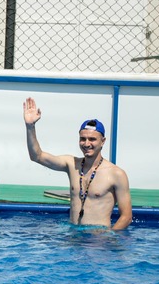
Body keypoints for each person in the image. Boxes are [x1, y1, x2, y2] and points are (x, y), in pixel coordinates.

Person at [23, 96, 132, 229]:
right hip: (73, 235)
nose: (86, 144)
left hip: (98, 238)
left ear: (103, 141)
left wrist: (110, 236)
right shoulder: (71, 164)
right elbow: (37, 156)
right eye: (82, 139)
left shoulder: (116, 174)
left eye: (92, 139)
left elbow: (126, 216)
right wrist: (30, 126)